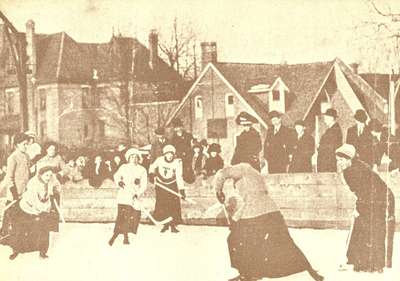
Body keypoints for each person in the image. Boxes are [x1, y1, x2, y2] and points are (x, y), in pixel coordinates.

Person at [213, 164, 324, 281]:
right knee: (285, 242)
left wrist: (218, 191)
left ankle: (247, 275)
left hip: (255, 213)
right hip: (273, 212)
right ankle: (310, 271)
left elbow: (222, 173)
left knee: (235, 239)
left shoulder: (242, 167)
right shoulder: (256, 174)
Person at [336, 144, 395, 272]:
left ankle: (373, 265)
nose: (339, 163)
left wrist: (359, 208)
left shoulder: (356, 170)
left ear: (349, 159)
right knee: (362, 228)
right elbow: (360, 192)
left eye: (341, 160)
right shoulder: (350, 169)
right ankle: (359, 262)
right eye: (337, 160)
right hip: (370, 199)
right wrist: (360, 205)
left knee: (372, 230)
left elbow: (366, 191)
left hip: (381, 199)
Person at [5, 165, 59, 260]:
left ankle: (42, 252)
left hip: (41, 208)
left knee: (44, 229)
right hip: (27, 208)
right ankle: (16, 251)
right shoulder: (33, 183)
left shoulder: (50, 180)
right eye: (46, 175)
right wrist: (42, 210)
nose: (48, 178)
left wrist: (55, 192)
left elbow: (56, 185)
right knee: (20, 230)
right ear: (41, 175)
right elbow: (34, 201)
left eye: (50, 175)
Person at [108, 148, 147, 246]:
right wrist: (119, 182)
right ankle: (118, 236)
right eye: (132, 157)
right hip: (124, 195)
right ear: (128, 158)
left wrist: (137, 193)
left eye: (136, 157)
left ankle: (124, 235)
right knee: (122, 217)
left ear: (139, 158)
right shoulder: (124, 167)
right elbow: (116, 176)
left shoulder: (142, 169)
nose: (134, 159)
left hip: (134, 197)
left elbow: (144, 185)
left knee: (131, 218)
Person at [0, 133, 31, 240]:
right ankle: (3, 234)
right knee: (10, 213)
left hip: (24, 191)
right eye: (24, 144)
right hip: (14, 192)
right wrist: (14, 192)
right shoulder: (12, 157)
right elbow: (9, 177)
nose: (26, 146)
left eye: (28, 144)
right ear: (17, 144)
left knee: (23, 213)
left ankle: (20, 236)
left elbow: (28, 173)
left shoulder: (27, 156)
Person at [149, 145, 186, 233]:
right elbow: (151, 167)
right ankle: (165, 225)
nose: (169, 156)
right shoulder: (159, 160)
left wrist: (182, 190)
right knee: (163, 205)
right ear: (165, 154)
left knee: (173, 205)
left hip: (172, 185)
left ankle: (173, 226)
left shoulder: (177, 162)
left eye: (171, 154)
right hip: (160, 185)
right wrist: (151, 174)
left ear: (173, 155)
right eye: (168, 154)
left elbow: (179, 176)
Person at [170, 118, 194, 184]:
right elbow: (173, 148)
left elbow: (192, 146)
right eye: (176, 128)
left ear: (182, 127)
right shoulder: (173, 138)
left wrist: (189, 153)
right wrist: (178, 154)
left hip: (188, 156)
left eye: (180, 127)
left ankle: (189, 180)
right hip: (179, 157)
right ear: (174, 129)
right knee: (180, 170)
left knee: (189, 170)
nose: (178, 129)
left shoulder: (188, 135)